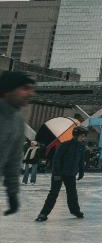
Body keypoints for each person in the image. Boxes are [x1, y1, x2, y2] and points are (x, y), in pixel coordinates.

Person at [0, 71, 35, 216]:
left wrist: (12, 194)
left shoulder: (18, 120)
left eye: (32, 89)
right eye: (25, 88)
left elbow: (14, 159)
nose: (31, 93)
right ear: (8, 90)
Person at [36, 125, 88, 222]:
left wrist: (81, 171)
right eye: (82, 136)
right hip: (59, 173)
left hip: (71, 173)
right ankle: (43, 213)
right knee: (53, 193)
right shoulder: (65, 145)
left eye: (84, 136)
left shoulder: (81, 146)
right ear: (76, 135)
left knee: (72, 194)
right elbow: (56, 160)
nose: (84, 138)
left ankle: (75, 211)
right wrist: (56, 174)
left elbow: (81, 160)